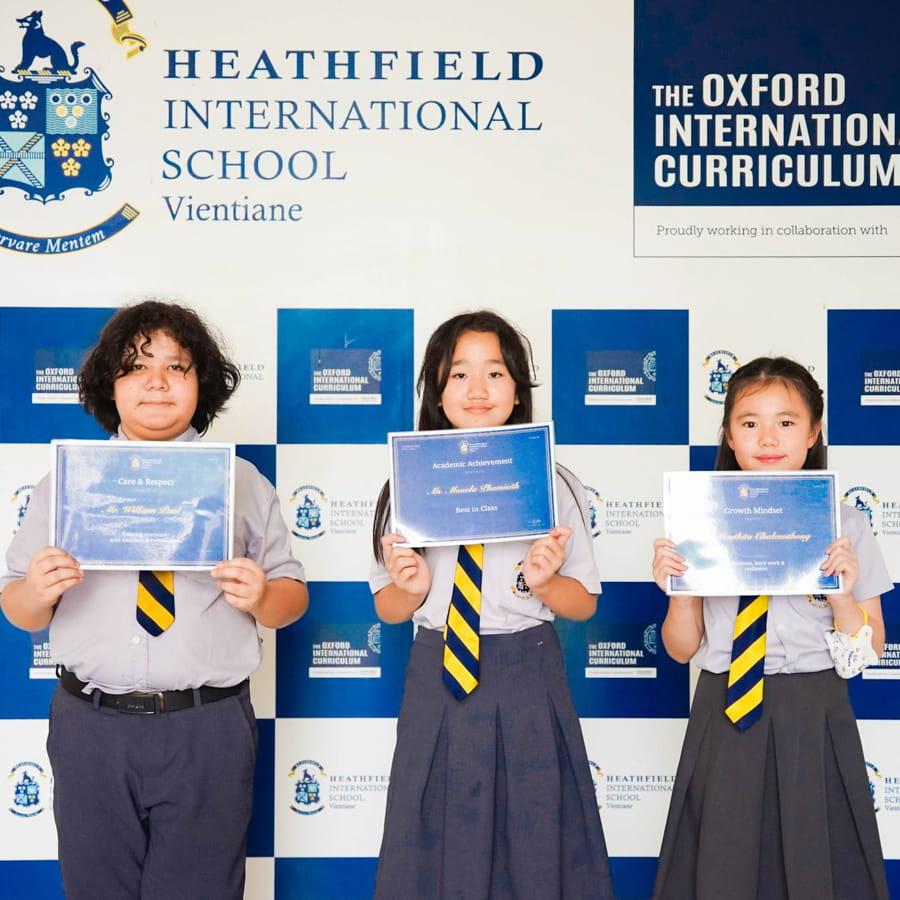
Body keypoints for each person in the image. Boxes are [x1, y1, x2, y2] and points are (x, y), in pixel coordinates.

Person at [0, 300, 308, 900]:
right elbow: (17, 608)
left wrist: (263, 595)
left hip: (207, 727)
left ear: (203, 385)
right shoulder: (65, 485)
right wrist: (36, 592)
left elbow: (291, 599)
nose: (158, 383)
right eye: (137, 366)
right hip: (91, 727)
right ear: (108, 384)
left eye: (178, 367)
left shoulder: (243, 482)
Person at [369, 310, 614, 899]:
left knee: (533, 845)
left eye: (496, 373)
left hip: (526, 670)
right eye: (458, 375)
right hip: (438, 672)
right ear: (436, 388)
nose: (477, 391)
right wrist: (409, 586)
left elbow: (580, 604)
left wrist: (544, 580)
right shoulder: (408, 480)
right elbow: (389, 610)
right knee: (428, 842)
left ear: (518, 387)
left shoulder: (552, 483)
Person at [651, 356, 890, 900]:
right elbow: (682, 649)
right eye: (749, 422)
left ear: (813, 432)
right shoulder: (697, 519)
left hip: (815, 711)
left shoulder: (845, 523)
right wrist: (678, 595)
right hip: (725, 706)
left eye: (786, 422)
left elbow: (866, 652)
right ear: (730, 436)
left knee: (817, 871)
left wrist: (843, 594)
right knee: (722, 870)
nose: (767, 438)